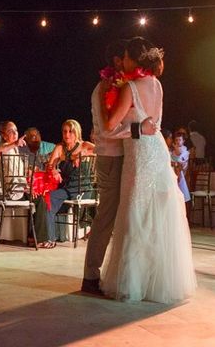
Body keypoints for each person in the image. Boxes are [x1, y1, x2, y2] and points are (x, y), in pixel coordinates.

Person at [100, 37, 196, 303]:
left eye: (126, 56)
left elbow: (109, 127)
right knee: (157, 215)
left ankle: (134, 283)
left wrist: (135, 128)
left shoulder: (131, 87)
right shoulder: (158, 84)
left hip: (141, 152)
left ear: (132, 59)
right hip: (157, 151)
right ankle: (156, 281)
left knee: (136, 214)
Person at [81, 39, 157, 294]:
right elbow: (105, 130)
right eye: (122, 57)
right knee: (107, 216)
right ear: (116, 61)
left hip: (130, 155)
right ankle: (91, 275)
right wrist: (139, 128)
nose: (125, 62)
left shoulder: (129, 85)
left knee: (132, 216)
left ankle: (134, 276)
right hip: (111, 157)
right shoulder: (106, 86)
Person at [39, 119, 95, 249]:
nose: (67, 135)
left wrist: (85, 153)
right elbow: (50, 165)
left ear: (77, 132)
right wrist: (53, 171)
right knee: (48, 198)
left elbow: (101, 150)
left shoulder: (84, 145)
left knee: (78, 206)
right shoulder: (60, 148)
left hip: (83, 189)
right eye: (65, 132)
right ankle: (51, 238)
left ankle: (87, 227)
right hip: (67, 188)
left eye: (70, 132)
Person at [170, 133, 191, 203]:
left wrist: (176, 150)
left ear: (183, 141)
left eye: (180, 140)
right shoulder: (171, 151)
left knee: (181, 195)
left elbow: (179, 161)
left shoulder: (186, 152)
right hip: (173, 173)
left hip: (181, 174)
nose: (178, 141)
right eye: (176, 140)